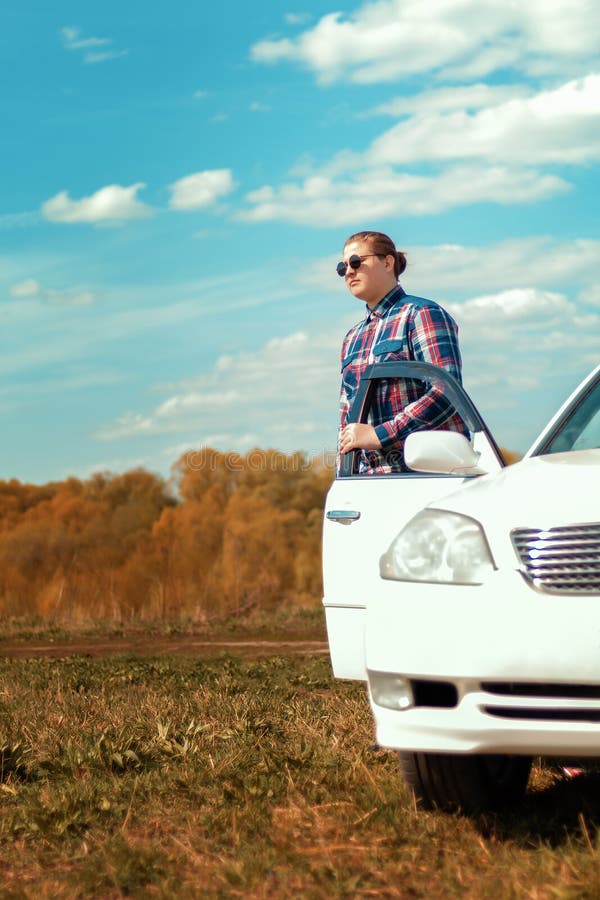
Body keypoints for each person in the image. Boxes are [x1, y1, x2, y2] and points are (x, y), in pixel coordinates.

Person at [337, 230, 467, 474]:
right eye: (342, 267)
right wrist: (343, 476)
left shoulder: (422, 314)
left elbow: (446, 392)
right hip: (368, 480)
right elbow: (347, 420)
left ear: (388, 262)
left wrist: (381, 435)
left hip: (430, 475)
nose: (349, 272)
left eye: (356, 262)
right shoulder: (352, 338)